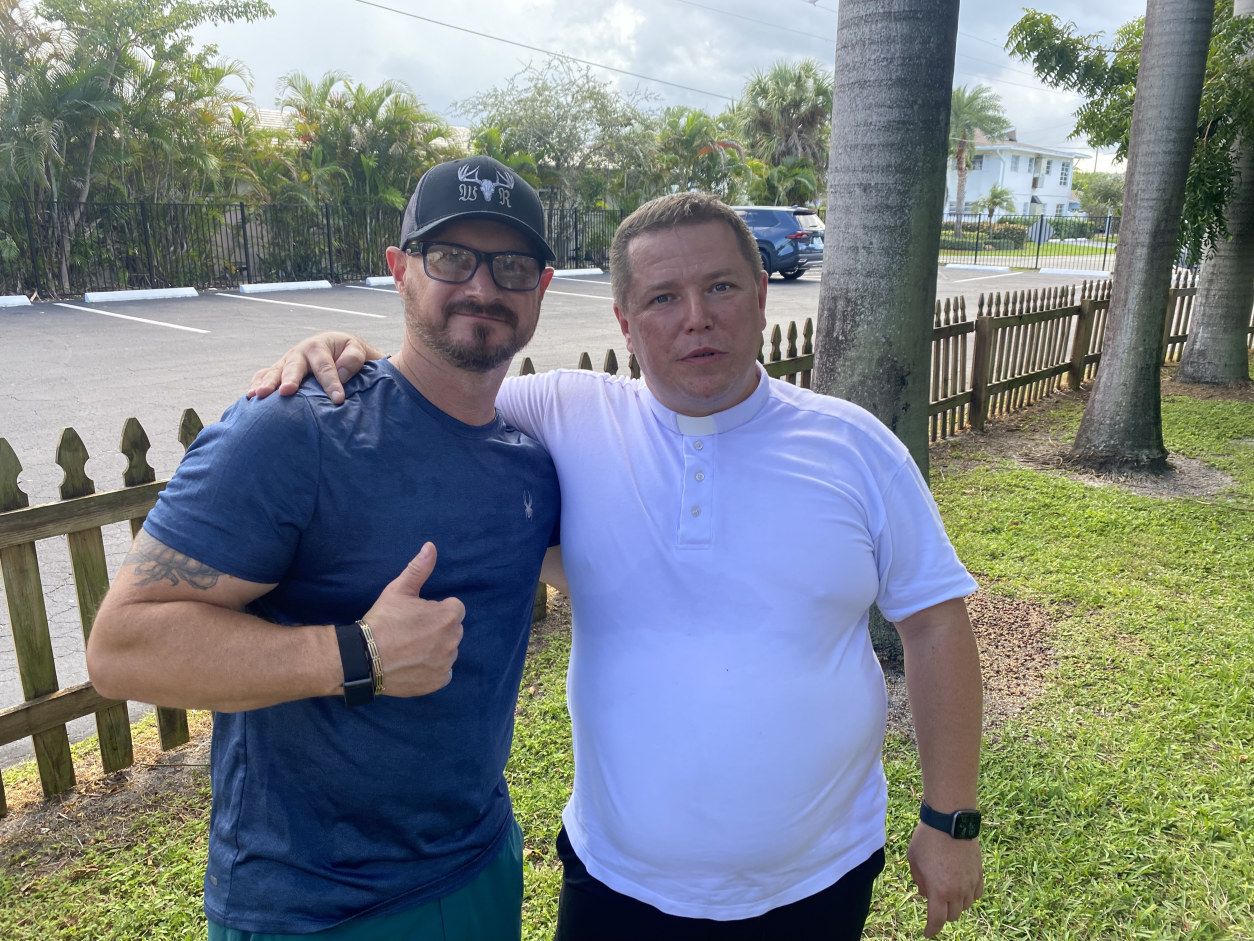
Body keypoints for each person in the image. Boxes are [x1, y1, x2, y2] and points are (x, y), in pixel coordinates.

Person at [250, 192, 985, 940]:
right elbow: (435, 384)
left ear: (762, 294)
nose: (696, 317)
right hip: (616, 880)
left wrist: (951, 819)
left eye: (721, 286)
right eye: (662, 297)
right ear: (625, 324)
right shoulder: (567, 413)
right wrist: (348, 350)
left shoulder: (856, 448)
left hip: (818, 877)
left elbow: (935, 625)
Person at [86, 155, 563, 941]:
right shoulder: (294, 429)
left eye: (511, 265)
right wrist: (356, 654)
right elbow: (121, 646)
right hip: (314, 906)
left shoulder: (533, 464)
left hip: (480, 866)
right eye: (452, 257)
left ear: (542, 286)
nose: (483, 286)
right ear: (399, 269)